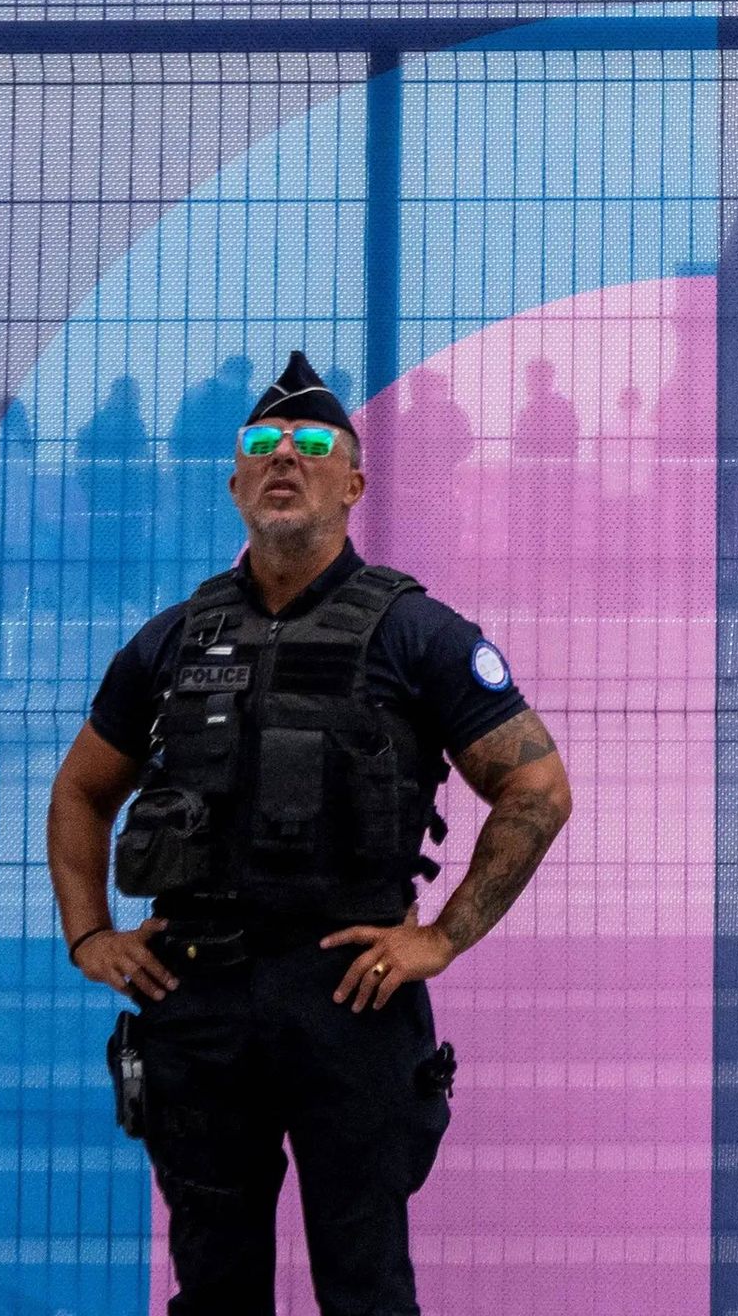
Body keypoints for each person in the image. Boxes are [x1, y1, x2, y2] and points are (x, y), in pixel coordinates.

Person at [47, 352, 574, 1316]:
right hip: (198, 1001)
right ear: (237, 480)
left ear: (354, 482)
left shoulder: (420, 636)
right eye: (262, 444)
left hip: (348, 1003)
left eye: (313, 443)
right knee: (213, 1286)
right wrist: (90, 935)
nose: (285, 455)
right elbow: (81, 791)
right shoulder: (171, 641)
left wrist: (440, 938)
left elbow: (536, 789)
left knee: (366, 1288)